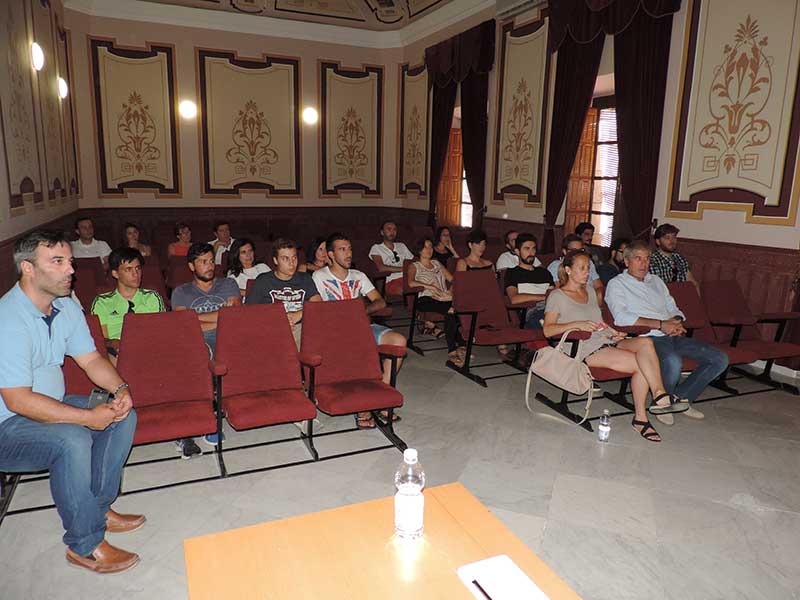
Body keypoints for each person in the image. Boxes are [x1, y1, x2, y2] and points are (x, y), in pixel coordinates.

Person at [0, 230, 143, 574]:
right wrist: (85, 418)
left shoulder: (64, 306)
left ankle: (97, 509)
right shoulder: (8, 319)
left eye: (70, 262)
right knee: (74, 437)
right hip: (8, 426)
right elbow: (18, 401)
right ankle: (85, 544)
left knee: (123, 415)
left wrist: (120, 389)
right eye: (58, 262)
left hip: (51, 402)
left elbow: (92, 359)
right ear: (28, 269)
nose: (70, 270)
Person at [543, 250, 690, 443]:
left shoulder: (589, 291)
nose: (587, 272)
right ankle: (643, 416)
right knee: (641, 365)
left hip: (605, 339)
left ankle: (659, 394)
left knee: (645, 342)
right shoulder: (557, 296)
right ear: (568, 270)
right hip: (583, 346)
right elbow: (547, 330)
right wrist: (576, 324)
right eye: (581, 268)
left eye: (588, 268)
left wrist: (613, 331)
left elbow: (598, 321)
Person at [606, 240, 729, 424]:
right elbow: (621, 318)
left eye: (647, 259)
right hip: (647, 338)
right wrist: (660, 324)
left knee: (720, 359)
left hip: (671, 333)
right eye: (638, 259)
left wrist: (677, 321)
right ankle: (663, 402)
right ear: (626, 261)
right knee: (673, 361)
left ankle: (681, 398)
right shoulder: (617, 284)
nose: (643, 263)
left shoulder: (656, 281)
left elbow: (673, 307)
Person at [314, 233, 407, 429]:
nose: (348, 253)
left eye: (349, 249)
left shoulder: (359, 275)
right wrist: (347, 315)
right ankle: (363, 406)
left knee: (398, 341)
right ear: (330, 254)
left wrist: (362, 310)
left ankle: (380, 395)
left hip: (363, 326)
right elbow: (318, 310)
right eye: (342, 249)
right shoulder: (320, 277)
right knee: (356, 347)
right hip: (336, 331)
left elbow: (380, 301)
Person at [172, 243, 241, 450]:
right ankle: (209, 418)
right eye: (203, 262)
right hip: (200, 341)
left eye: (211, 261)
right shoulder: (181, 292)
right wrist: (221, 316)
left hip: (230, 336)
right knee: (201, 352)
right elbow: (185, 326)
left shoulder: (228, 284)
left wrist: (198, 319)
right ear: (192, 266)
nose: (209, 266)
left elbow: (235, 317)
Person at [90, 248, 166, 359]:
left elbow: (160, 330)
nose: (135, 274)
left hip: (148, 349)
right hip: (117, 353)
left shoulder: (152, 297)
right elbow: (101, 338)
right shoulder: (102, 302)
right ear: (115, 274)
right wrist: (112, 343)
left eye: (138, 268)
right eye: (128, 269)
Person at [247, 238, 320, 349]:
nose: (292, 263)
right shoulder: (264, 280)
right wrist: (279, 320)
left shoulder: (305, 279)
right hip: (273, 329)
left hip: (301, 328)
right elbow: (250, 312)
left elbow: (318, 303)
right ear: (276, 260)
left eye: (294, 258)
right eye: (285, 259)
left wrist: (298, 315)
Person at [409, 237, 465, 366]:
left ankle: (459, 346)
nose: (429, 250)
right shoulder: (414, 265)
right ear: (419, 250)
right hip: (425, 298)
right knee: (450, 310)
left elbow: (453, 280)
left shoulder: (437, 263)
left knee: (456, 309)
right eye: (425, 247)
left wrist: (451, 291)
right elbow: (411, 283)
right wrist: (431, 287)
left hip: (442, 298)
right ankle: (453, 350)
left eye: (430, 247)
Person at [504, 233, 553, 329]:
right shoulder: (512, 273)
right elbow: (514, 298)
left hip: (550, 309)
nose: (531, 252)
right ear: (517, 251)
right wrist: (542, 297)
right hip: (530, 312)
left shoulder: (544, 272)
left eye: (533, 248)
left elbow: (553, 293)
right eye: (527, 249)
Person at [547, 234, 604, 304]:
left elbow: (599, 285)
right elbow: (559, 290)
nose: (578, 253)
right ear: (565, 251)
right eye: (574, 250)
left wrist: (599, 295)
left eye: (581, 250)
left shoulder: (589, 263)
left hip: (591, 301)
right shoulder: (556, 265)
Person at [649, 223, 700, 293]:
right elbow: (655, 289)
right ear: (658, 242)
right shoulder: (652, 260)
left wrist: (697, 302)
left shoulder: (679, 258)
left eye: (674, 237)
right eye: (667, 238)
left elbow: (693, 283)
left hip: (683, 296)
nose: (672, 241)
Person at [369, 221, 414, 297]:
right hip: (392, 280)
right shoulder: (376, 248)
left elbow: (413, 261)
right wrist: (404, 268)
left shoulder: (401, 245)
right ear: (382, 232)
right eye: (389, 229)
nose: (392, 232)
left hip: (409, 277)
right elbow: (381, 268)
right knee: (408, 290)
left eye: (394, 229)